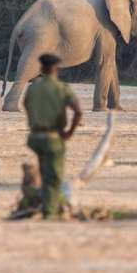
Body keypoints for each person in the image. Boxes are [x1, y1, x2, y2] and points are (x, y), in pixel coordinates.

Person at [24, 53, 83, 219]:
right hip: (53, 138)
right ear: (57, 69)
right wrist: (69, 132)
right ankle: (49, 212)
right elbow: (78, 111)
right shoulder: (61, 88)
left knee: (44, 172)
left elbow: (26, 105)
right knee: (55, 177)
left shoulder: (33, 87)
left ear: (41, 68)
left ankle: (44, 204)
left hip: (35, 138)